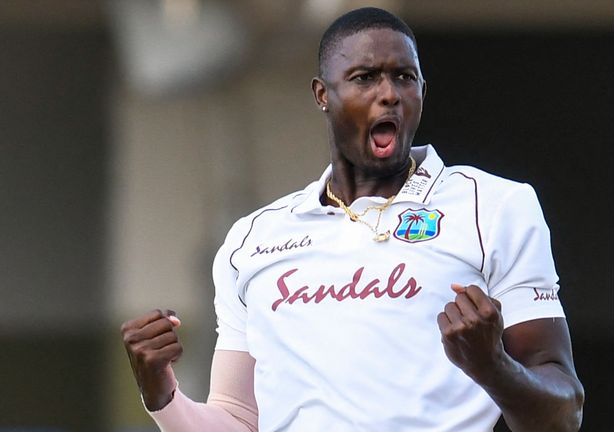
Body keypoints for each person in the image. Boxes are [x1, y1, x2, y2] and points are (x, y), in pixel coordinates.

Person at [120, 7, 584, 432]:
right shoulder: (253, 239)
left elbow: (563, 415)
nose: (389, 95)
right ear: (323, 94)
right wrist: (161, 396)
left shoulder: (496, 206)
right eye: (365, 78)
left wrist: (491, 366)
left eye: (404, 77)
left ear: (422, 90)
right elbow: (238, 420)